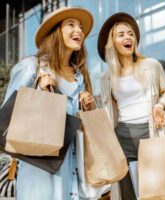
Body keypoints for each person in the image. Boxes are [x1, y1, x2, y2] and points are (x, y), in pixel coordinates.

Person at [3, 7, 95, 200]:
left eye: (80, 27)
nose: (79, 30)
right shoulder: (32, 66)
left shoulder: (80, 77)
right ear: (55, 32)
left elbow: (84, 130)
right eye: (71, 24)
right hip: (41, 177)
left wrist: (90, 109)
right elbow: (8, 118)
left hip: (75, 176)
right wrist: (39, 91)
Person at [97, 12, 165, 200]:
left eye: (131, 33)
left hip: (152, 132)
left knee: (159, 190)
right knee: (129, 194)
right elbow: (108, 112)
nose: (128, 37)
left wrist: (160, 107)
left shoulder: (151, 65)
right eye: (121, 34)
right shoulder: (106, 77)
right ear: (113, 42)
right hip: (122, 137)